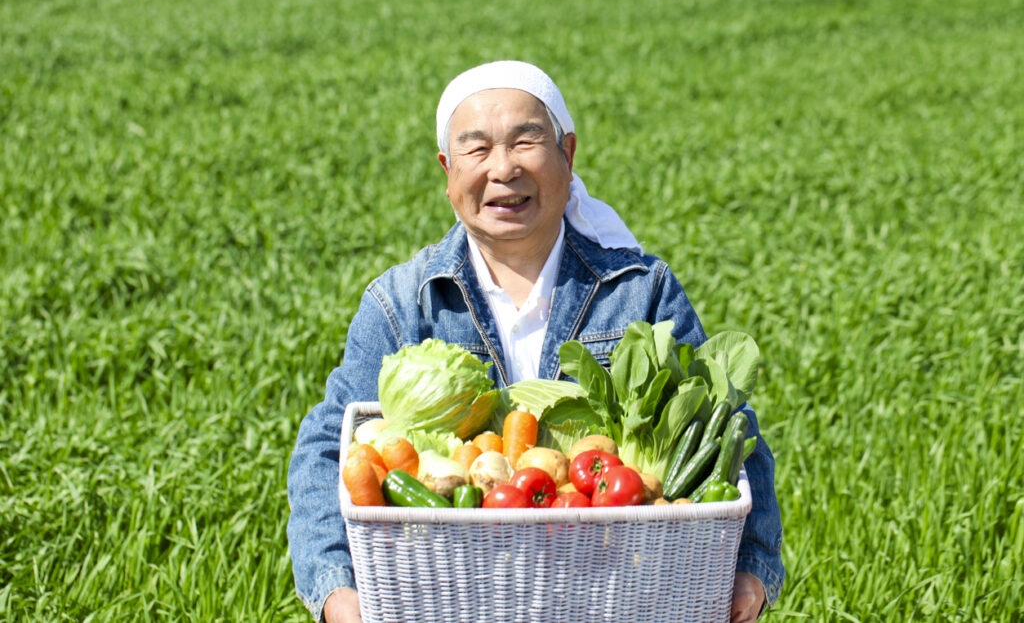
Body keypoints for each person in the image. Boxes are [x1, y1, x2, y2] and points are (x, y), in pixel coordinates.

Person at [287, 61, 785, 623]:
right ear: (447, 171)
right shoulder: (401, 302)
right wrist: (335, 591)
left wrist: (753, 568)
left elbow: (728, 428)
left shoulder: (641, 291)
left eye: (526, 141)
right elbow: (329, 444)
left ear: (567, 155)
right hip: (447, 593)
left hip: (622, 591)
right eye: (476, 150)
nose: (503, 169)